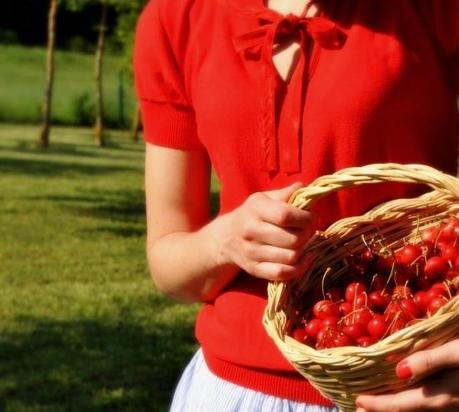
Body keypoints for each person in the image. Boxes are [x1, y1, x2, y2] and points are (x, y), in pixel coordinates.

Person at [134, 0, 459, 410]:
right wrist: (226, 241)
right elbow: (171, 268)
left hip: (403, 386)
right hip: (231, 392)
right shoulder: (178, 17)